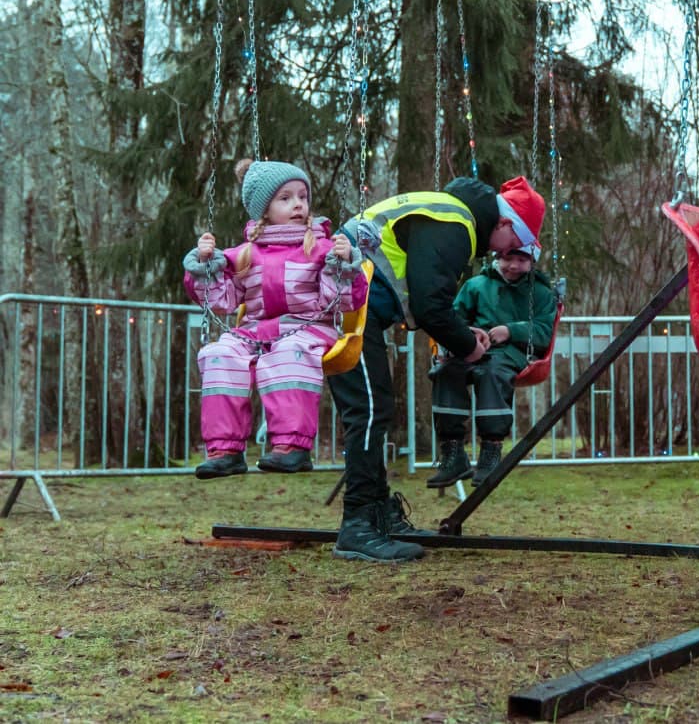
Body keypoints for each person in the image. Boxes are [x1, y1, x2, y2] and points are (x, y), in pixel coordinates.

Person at [328, 175, 546, 562]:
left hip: (354, 304)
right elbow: (430, 305)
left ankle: (379, 515)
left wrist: (461, 333)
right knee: (369, 411)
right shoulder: (454, 223)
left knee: (376, 408)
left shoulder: (450, 216)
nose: (507, 251)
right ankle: (358, 524)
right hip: (344, 305)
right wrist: (468, 347)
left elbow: (427, 295)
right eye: (513, 241)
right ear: (503, 223)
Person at [184, 159, 368, 479]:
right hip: (254, 333)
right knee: (218, 353)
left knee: (286, 353)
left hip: (309, 329)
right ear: (264, 210)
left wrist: (341, 266)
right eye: (285, 198)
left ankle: (292, 446)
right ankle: (225, 450)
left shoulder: (320, 248)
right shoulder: (245, 253)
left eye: (302, 196)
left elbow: (340, 302)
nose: (298, 204)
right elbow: (221, 301)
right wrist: (204, 265)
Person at [428, 244, 558, 488]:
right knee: (445, 372)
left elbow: (544, 332)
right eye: (508, 259)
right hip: (473, 350)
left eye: (522, 260)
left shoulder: (540, 293)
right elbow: (454, 320)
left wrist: (511, 331)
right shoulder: (476, 286)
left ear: (532, 262)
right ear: (497, 258)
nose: (514, 266)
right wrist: (468, 335)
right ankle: (452, 450)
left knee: (491, 373)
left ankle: (491, 449)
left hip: (511, 353)